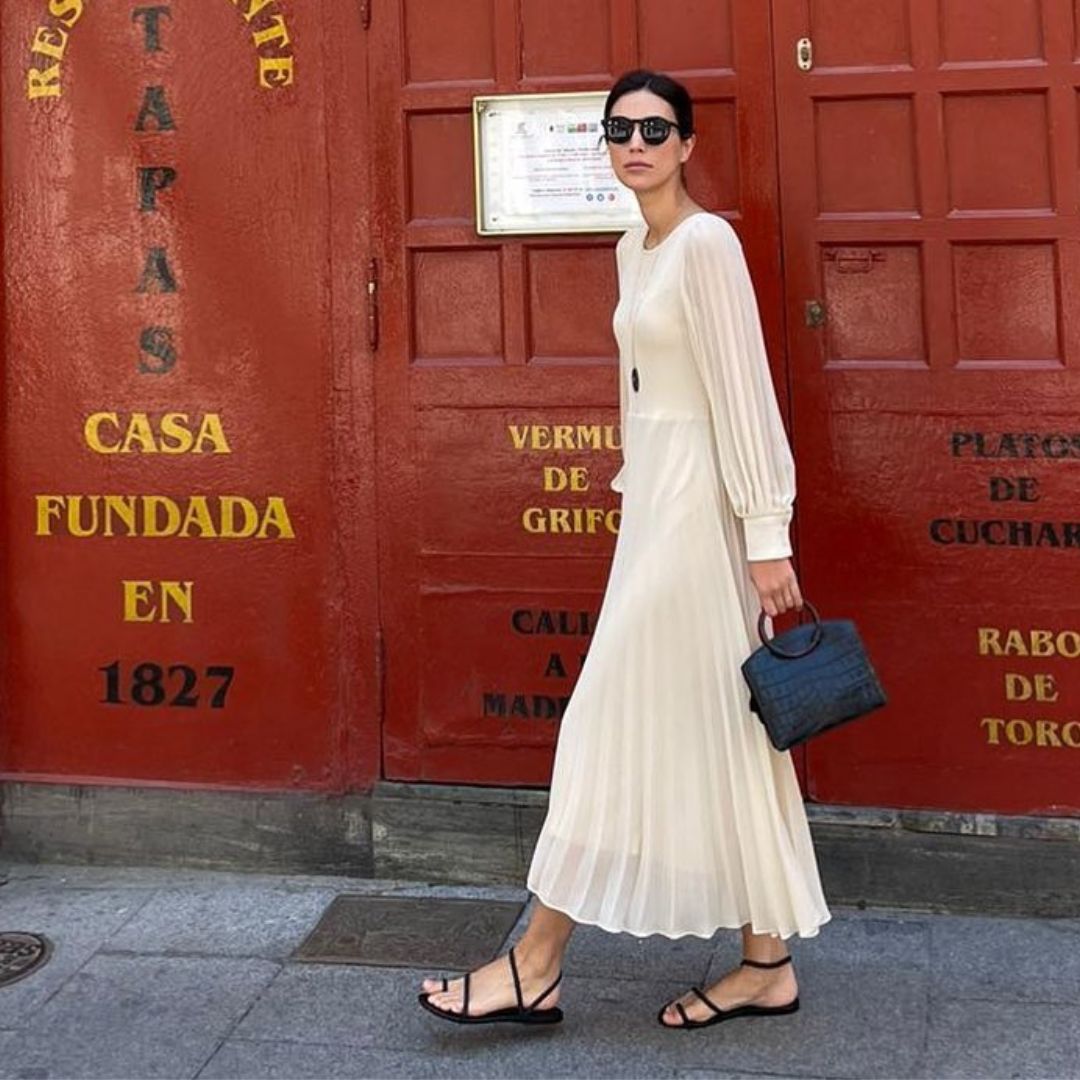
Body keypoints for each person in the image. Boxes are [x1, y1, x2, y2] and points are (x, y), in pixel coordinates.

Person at [419, 69, 830, 1030]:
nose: (636, 142)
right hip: (657, 515)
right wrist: (636, 495)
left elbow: (746, 395)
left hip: (707, 524)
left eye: (655, 128)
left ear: (687, 144)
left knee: (601, 725)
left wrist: (767, 537)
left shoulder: (706, 244)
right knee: (727, 727)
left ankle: (536, 961)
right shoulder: (631, 246)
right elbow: (647, 392)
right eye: (619, 129)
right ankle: (766, 963)